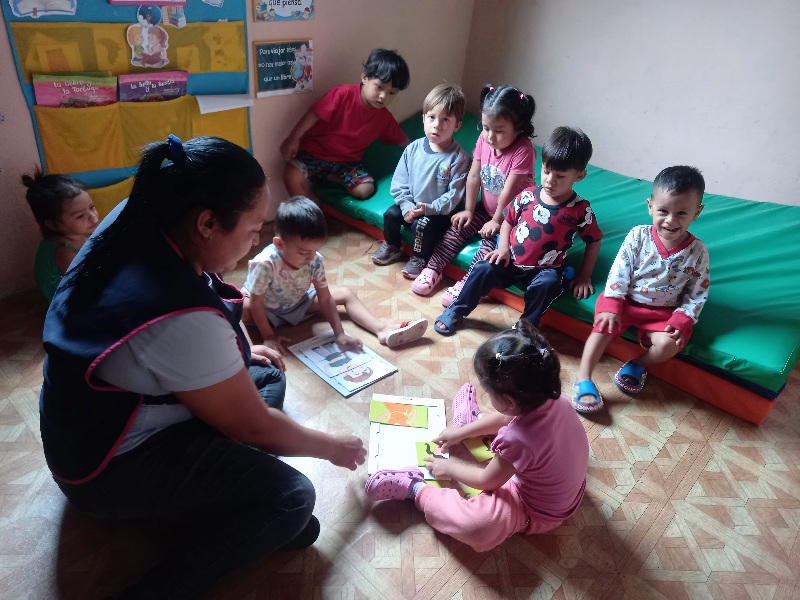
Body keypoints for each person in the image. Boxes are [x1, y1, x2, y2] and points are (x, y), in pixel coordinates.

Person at [40, 135, 367, 600]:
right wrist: (332, 447)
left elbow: (200, 310)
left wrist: (237, 354)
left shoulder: (139, 216)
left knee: (266, 373)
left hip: (91, 417)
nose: (257, 240)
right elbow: (255, 427)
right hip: (106, 465)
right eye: (253, 229)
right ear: (208, 223)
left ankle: (227, 502)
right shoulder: (177, 315)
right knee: (292, 499)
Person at [364, 321, 589, 553]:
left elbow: (486, 480)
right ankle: (471, 421)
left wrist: (448, 467)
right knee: (512, 430)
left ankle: (415, 487)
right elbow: (508, 419)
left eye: (488, 392)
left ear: (509, 401)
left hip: (535, 512)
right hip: (568, 492)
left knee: (478, 526)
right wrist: (462, 432)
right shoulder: (554, 397)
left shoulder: (516, 440)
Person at [433, 127, 602, 335]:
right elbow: (507, 221)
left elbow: (594, 241)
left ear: (580, 176)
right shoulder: (527, 195)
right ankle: (456, 310)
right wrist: (503, 248)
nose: (550, 180)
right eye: (546, 171)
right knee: (483, 267)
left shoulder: (580, 210)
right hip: (510, 261)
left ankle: (525, 327)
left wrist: (585, 276)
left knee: (549, 283)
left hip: (544, 270)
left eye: (560, 176)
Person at [571, 166, 709, 413]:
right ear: (650, 206)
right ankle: (583, 379)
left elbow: (697, 293)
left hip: (663, 313)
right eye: (663, 211)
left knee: (669, 345)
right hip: (624, 302)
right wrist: (612, 305)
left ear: (696, 213)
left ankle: (637, 364)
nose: (670, 220)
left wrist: (682, 320)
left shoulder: (698, 251)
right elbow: (619, 273)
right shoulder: (638, 236)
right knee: (602, 327)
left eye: (681, 213)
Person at [242, 195, 428, 355]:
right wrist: (268, 336)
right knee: (239, 307)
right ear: (280, 244)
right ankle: (260, 331)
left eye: (315, 250)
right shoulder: (264, 263)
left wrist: (339, 334)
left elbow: (325, 298)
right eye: (303, 252)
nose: (310, 257)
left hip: (298, 303)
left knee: (345, 293)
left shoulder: (315, 259)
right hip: (266, 309)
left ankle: (381, 329)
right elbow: (257, 303)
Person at [410, 84, 536, 300]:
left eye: (499, 131)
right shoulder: (484, 140)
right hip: (486, 209)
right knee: (457, 228)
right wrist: (468, 210)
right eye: (486, 128)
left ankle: (468, 283)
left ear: (518, 128)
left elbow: (508, 191)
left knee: (488, 243)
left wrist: (496, 221)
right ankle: (432, 269)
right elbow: (474, 176)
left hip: (512, 217)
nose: (490, 136)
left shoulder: (524, 151)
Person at [280, 48, 411, 203]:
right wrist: (293, 138)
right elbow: (314, 114)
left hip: (347, 163)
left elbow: (402, 141)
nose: (383, 96)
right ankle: (307, 211)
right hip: (315, 154)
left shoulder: (384, 118)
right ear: (365, 78)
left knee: (365, 189)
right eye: (379, 87)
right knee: (291, 175)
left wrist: (421, 156)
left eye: (391, 93)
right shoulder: (342, 94)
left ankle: (331, 176)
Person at [371, 83, 470, 279]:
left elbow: (454, 196)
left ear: (457, 125)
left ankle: (420, 258)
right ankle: (392, 245)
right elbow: (399, 183)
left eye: (445, 120)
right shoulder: (413, 149)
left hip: (439, 214)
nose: (437, 125)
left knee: (423, 225)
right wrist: (406, 206)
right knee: (391, 214)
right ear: (424, 118)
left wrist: (429, 209)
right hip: (412, 206)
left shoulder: (459, 159)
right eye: (432, 117)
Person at [22, 169, 99, 304]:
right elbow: (90, 287)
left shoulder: (77, 234)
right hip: (68, 308)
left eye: (92, 207)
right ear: (55, 225)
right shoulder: (65, 253)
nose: (93, 217)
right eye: (80, 216)